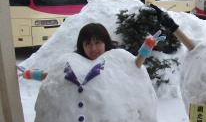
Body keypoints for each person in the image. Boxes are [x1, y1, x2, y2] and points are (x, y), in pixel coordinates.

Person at [20, 22, 164, 80]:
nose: (93, 48)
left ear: (105, 42)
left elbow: (134, 66)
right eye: (88, 43)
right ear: (81, 46)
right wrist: (30, 74)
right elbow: (53, 76)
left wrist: (146, 47)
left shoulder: (114, 59)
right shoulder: (77, 62)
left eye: (97, 42)